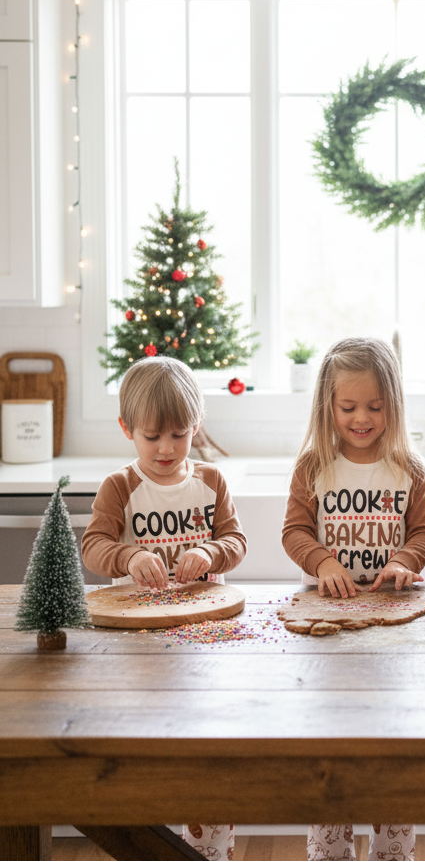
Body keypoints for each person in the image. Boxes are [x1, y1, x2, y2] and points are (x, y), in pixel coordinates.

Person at [82, 355, 246, 862]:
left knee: (210, 751)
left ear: (195, 427)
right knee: (147, 752)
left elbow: (236, 541)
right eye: (153, 436)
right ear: (126, 429)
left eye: (179, 434)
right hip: (137, 646)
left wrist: (212, 552)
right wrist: (129, 554)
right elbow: (93, 547)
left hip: (206, 638)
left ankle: (208, 849)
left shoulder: (211, 482)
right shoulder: (120, 487)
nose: (167, 448)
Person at [281, 336, 425, 862]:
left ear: (393, 404)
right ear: (327, 406)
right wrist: (323, 562)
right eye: (348, 407)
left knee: (395, 744)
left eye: (375, 406)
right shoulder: (312, 466)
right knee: (330, 744)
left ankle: (394, 851)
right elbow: (294, 532)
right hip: (327, 628)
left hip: (396, 624)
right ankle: (328, 851)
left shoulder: (409, 469)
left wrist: (404, 562)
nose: (362, 418)